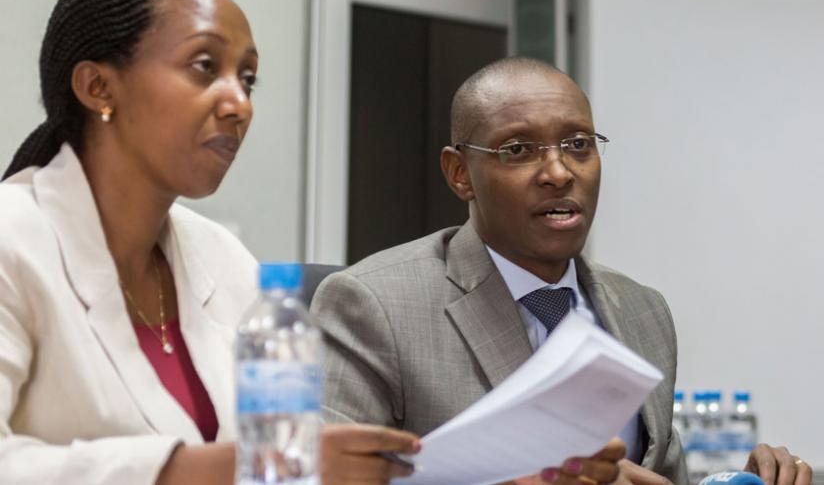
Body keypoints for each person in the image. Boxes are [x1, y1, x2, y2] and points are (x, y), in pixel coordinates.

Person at [0, 0, 417, 485]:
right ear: (98, 87)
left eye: (247, 79)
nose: (239, 103)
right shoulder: (12, 238)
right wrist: (198, 470)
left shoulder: (220, 257)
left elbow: (291, 461)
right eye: (203, 65)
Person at [311, 57, 813, 485]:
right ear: (460, 173)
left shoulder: (643, 311)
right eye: (519, 150)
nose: (558, 172)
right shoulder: (372, 305)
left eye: (578, 144)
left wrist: (738, 480)